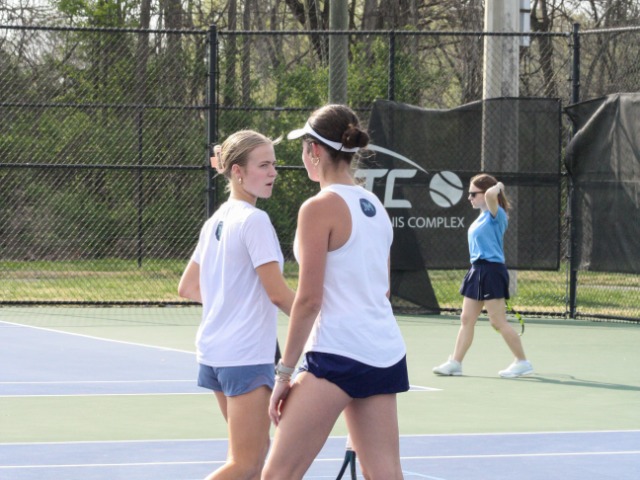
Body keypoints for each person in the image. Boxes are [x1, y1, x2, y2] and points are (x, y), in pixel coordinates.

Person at [261, 105, 409, 480]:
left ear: (314, 150)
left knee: (277, 475)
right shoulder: (376, 206)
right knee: (386, 475)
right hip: (384, 354)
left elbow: (309, 300)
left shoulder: (318, 208)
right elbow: (383, 291)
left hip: (335, 355)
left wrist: (283, 375)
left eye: (303, 147)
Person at [178, 130, 295, 480]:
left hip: (215, 355)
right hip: (245, 357)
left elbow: (188, 287)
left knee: (253, 459)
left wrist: (233, 299)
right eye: (263, 165)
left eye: (273, 164)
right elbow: (278, 294)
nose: (273, 172)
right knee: (246, 464)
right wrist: (324, 320)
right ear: (237, 171)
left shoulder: (216, 220)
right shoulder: (254, 221)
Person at [432, 174, 533, 378]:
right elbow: (487, 195)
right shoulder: (481, 216)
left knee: (497, 321)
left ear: (486, 193)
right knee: (466, 318)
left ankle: (522, 362)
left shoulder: (497, 214)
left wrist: (499, 186)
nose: (469, 197)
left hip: (492, 271)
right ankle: (455, 363)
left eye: (473, 193)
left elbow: (490, 195)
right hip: (477, 270)